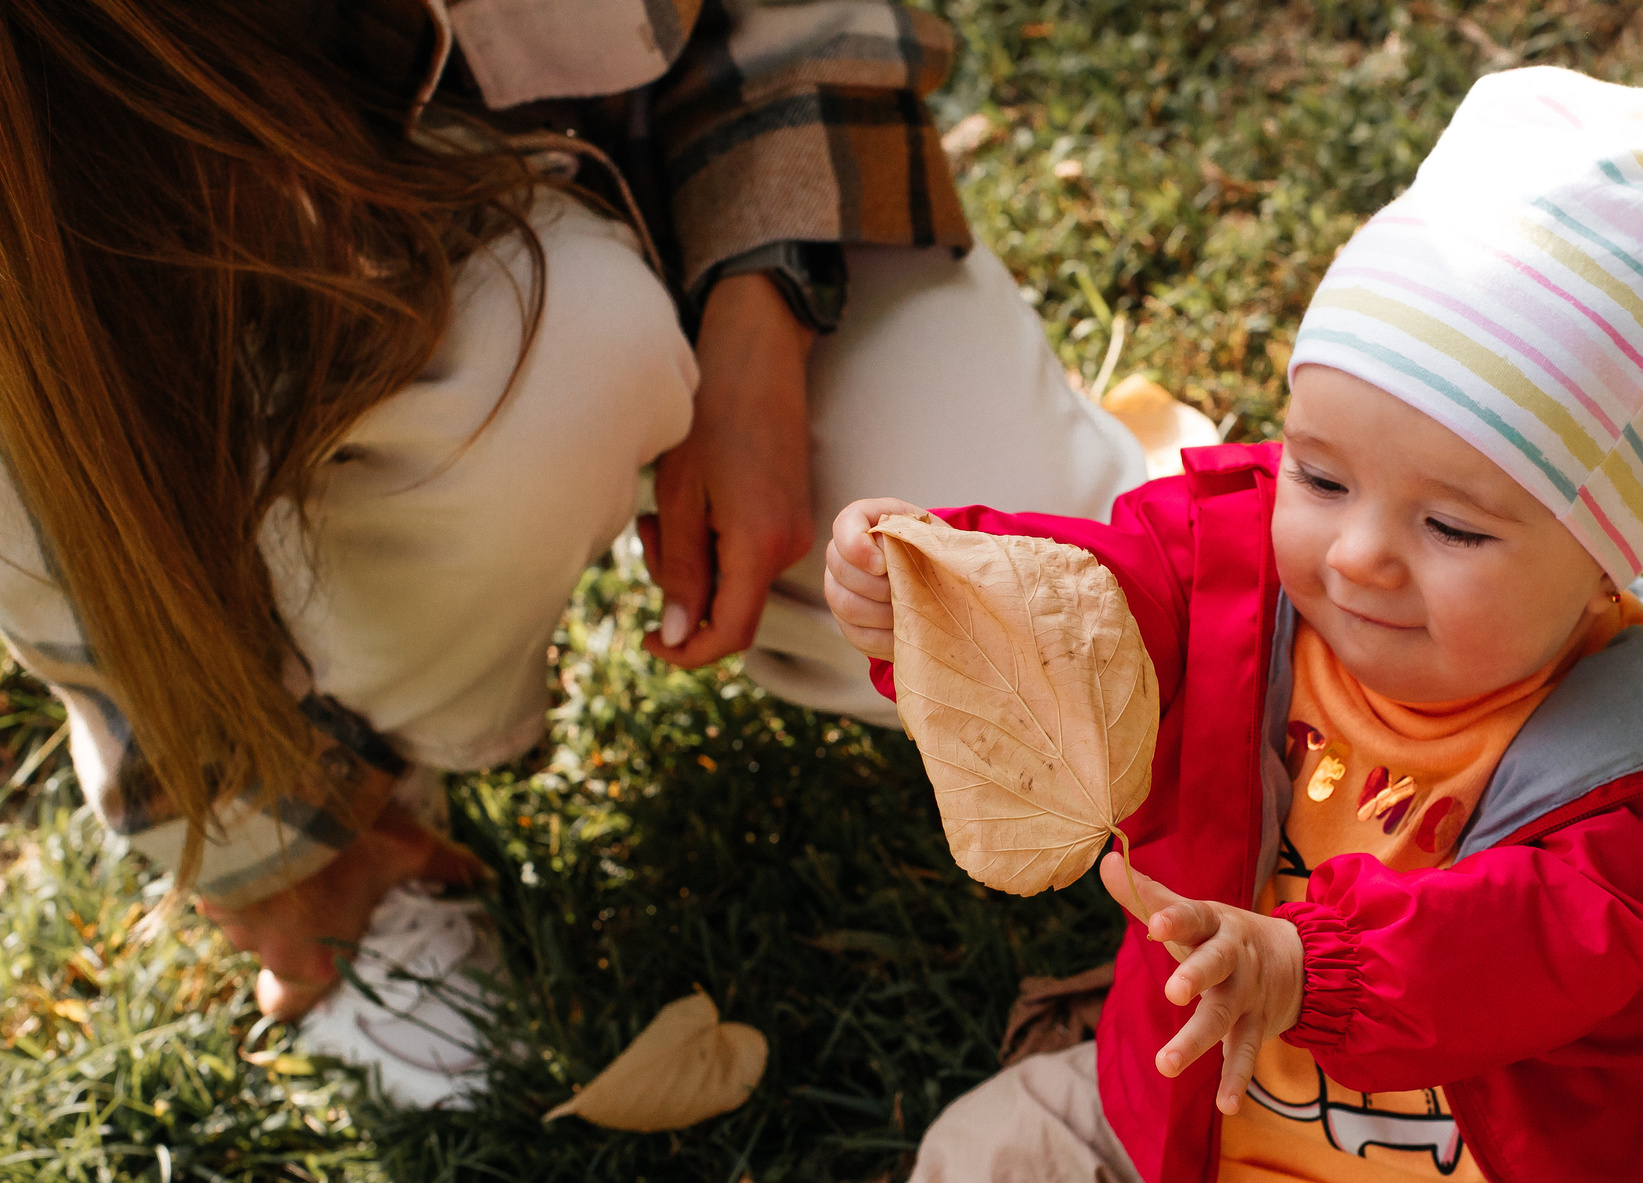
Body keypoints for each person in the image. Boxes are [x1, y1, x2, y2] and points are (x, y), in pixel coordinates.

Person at [566, 65, 1643, 1183]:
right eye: (1326, 472)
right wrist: (942, 591)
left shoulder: (1633, 754)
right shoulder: (1231, 567)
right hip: (1208, 1099)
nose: (1357, 551)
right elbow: (1087, 607)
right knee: (1014, 1144)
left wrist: (1312, 960)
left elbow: (1550, 936)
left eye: (1457, 525)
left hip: (1503, 1178)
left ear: (1606, 548)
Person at [0, 0, 1144, 1104]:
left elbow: (792, 12)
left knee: (1049, 608)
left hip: (673, 130)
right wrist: (265, 840)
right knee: (570, 351)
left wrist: (767, 301)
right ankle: (368, 806)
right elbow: (45, 505)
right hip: (318, 303)